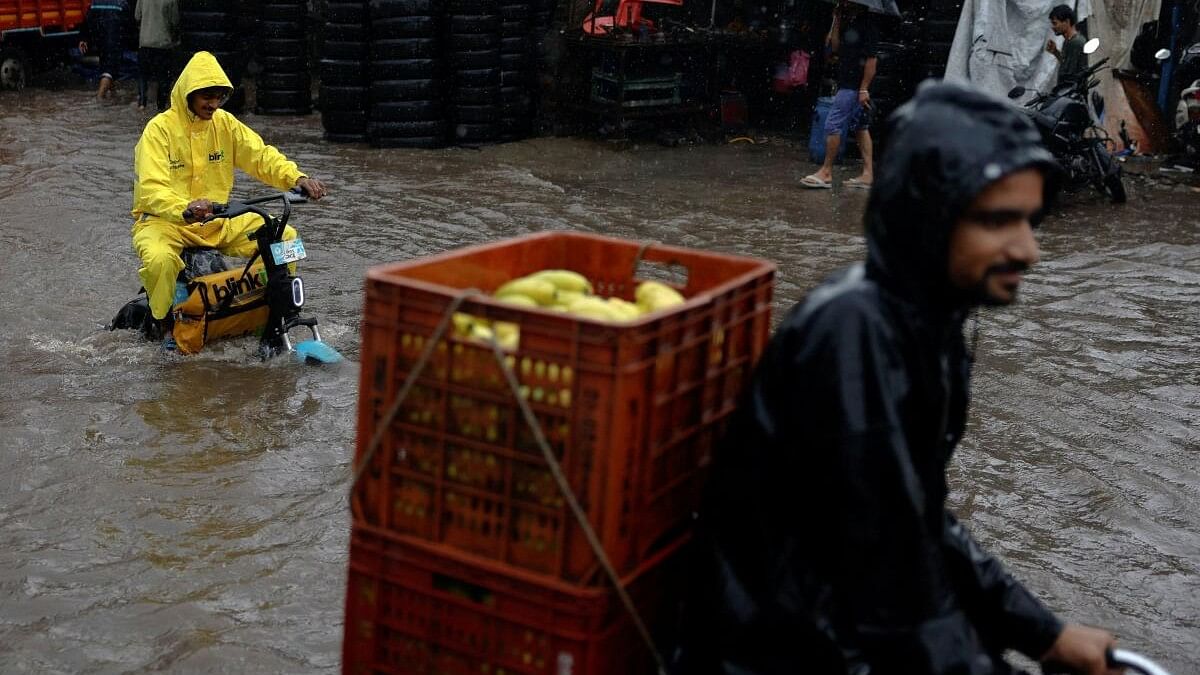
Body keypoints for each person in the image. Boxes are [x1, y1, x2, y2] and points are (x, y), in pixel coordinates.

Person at [673, 81, 1121, 675]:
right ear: (928, 217)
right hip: (769, 650)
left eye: (1029, 221)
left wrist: (1044, 632)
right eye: (998, 222)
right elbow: (890, 575)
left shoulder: (930, 326)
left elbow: (918, 522)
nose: (1028, 249)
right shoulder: (854, 333)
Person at [132, 51, 327, 347]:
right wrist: (184, 208)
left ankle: (274, 312)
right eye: (206, 97)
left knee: (287, 240)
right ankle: (165, 324)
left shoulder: (226, 124)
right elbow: (151, 189)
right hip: (165, 223)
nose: (213, 104)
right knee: (160, 261)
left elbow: (261, 156)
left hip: (216, 221)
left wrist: (297, 178)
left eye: (219, 97)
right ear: (188, 94)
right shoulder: (158, 131)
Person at [802, 0, 877, 190]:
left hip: (853, 87)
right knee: (861, 127)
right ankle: (868, 174)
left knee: (833, 124)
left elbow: (871, 61)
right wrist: (835, 19)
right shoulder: (849, 24)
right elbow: (834, 47)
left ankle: (826, 171)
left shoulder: (867, 26)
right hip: (849, 84)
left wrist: (863, 89)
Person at [79, 0, 130, 100]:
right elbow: (129, 24)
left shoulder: (95, 3)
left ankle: (113, 96)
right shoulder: (121, 4)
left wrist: (84, 38)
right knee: (109, 70)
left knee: (106, 68)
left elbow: (87, 20)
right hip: (115, 41)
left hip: (100, 42)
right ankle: (100, 98)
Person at [134, 0, 179, 111]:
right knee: (163, 78)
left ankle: (142, 104)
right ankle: (161, 106)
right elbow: (175, 21)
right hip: (163, 44)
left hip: (145, 43)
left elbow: (137, 17)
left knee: (143, 75)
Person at [1047, 4, 1088, 88]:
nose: (1053, 27)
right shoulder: (1069, 41)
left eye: (1055, 23)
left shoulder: (1076, 43)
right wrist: (1055, 52)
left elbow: (1070, 75)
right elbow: (1066, 64)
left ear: (1067, 22)